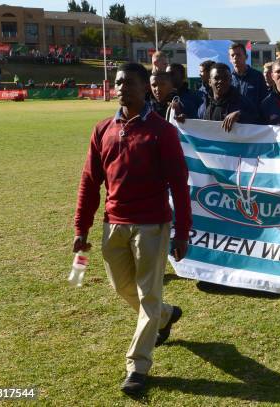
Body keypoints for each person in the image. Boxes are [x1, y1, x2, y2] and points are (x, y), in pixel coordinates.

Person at [73, 62, 192, 395]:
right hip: (114, 225)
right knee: (123, 288)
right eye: (118, 82)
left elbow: (180, 185)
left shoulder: (161, 131)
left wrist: (182, 231)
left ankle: (137, 366)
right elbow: (89, 181)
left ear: (145, 88)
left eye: (129, 82)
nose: (122, 86)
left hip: (152, 225)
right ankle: (166, 316)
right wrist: (81, 226)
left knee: (148, 295)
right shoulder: (102, 130)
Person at [197, 63, 260, 131]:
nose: (220, 81)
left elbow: (259, 123)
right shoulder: (203, 107)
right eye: (216, 78)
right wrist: (184, 121)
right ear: (209, 82)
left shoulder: (244, 103)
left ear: (230, 80)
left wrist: (240, 115)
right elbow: (196, 128)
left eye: (225, 78)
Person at [229, 43, 268, 107]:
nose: (235, 57)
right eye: (232, 55)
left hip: (253, 116)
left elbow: (264, 101)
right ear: (229, 59)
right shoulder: (228, 78)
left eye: (238, 55)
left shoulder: (257, 76)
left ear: (246, 57)